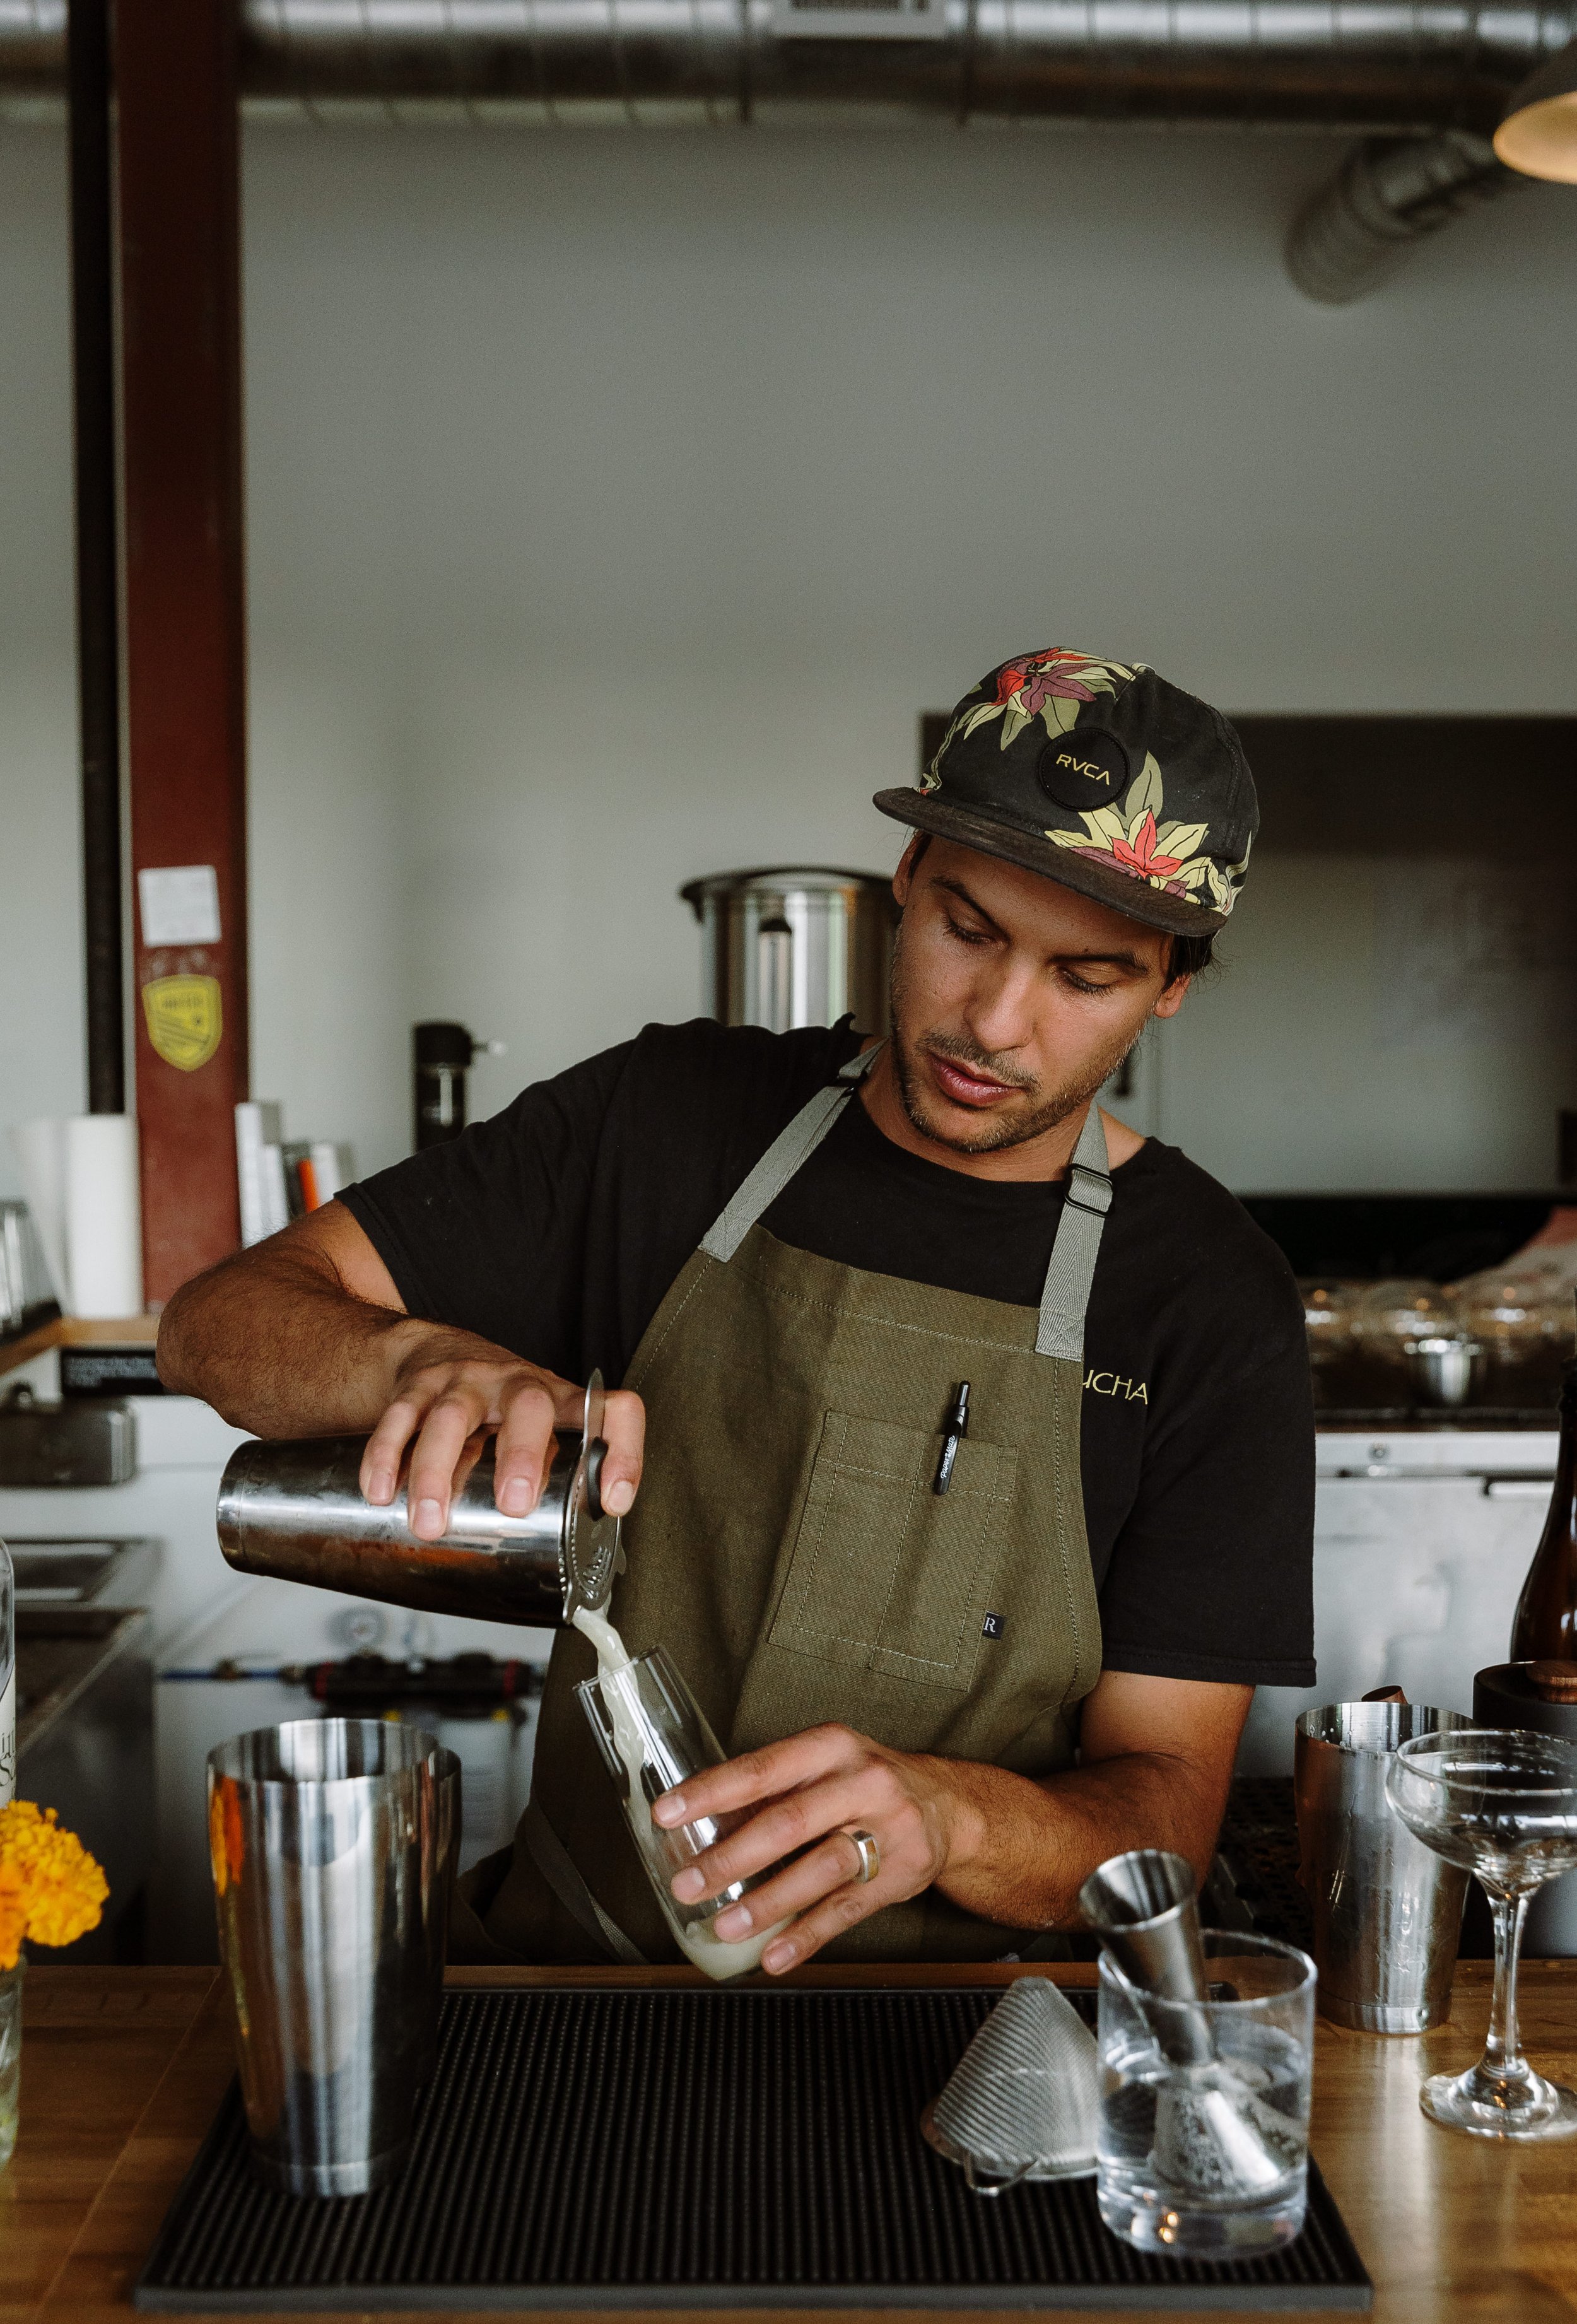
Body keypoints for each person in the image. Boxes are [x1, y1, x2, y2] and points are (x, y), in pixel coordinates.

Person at [160, 645, 1314, 1970]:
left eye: (1084, 978)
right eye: (967, 930)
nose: (992, 1021)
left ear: (1169, 985)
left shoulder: (1206, 1296)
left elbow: (1162, 1809)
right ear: (903, 884)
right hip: (579, 1985)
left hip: (976, 2039)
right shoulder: (663, 1124)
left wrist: (947, 1818)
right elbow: (214, 1321)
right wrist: (407, 1356)